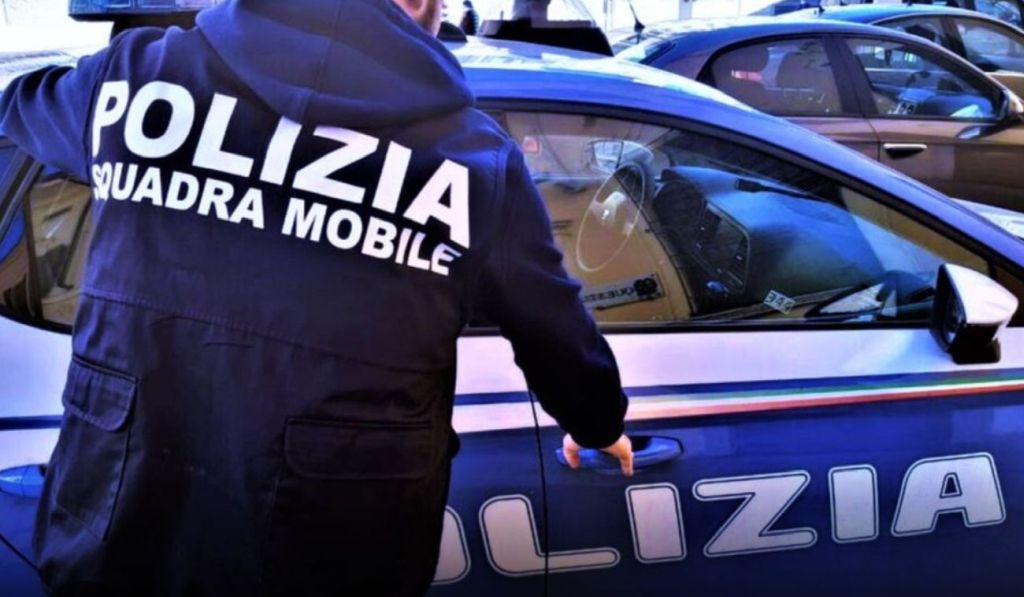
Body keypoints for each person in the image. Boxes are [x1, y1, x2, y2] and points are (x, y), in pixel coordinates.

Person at [0, 0, 632, 594]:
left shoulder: (133, 81)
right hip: (328, 557)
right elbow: (554, 331)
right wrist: (597, 425)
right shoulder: (471, 164)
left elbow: (21, 105)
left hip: (114, 551)